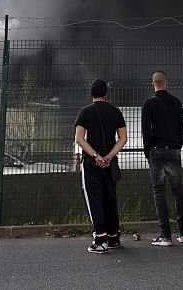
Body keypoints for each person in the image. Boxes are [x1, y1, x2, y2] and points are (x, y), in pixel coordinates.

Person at [75, 79, 127, 254]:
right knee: (110, 198)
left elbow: (79, 138)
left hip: (91, 163)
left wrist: (96, 156)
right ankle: (113, 237)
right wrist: (109, 156)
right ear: (105, 93)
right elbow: (123, 138)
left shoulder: (85, 112)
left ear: (92, 93)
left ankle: (100, 239)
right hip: (110, 162)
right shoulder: (115, 112)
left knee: (94, 199)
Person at [140, 70, 183, 246]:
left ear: (153, 84)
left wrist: (148, 152)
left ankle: (165, 236)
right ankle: (182, 233)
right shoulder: (176, 102)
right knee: (178, 190)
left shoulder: (149, 104)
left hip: (156, 152)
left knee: (159, 191)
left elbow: (146, 132)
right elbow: (182, 130)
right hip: (174, 150)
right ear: (167, 83)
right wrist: (176, 146)